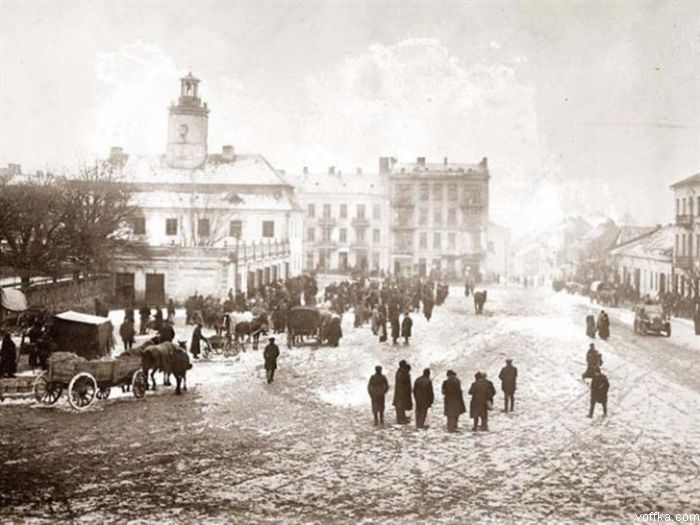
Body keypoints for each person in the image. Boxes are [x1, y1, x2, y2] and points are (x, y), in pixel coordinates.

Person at [392, 360, 413, 424]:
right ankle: (400, 419)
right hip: (401, 392)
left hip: (401, 392)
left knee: (401, 405)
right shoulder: (401, 373)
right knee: (400, 405)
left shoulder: (400, 372)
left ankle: (402, 417)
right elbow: (402, 384)